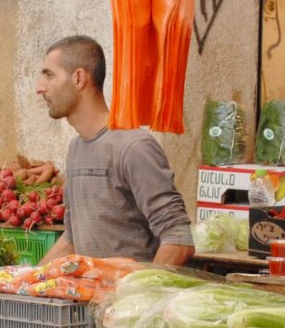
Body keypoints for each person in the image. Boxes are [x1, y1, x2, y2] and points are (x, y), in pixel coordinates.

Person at [35, 35, 194, 266]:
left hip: (129, 300)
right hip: (91, 298)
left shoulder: (133, 146)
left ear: (79, 78)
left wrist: (136, 295)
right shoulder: (76, 149)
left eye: (49, 75)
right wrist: (28, 281)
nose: (40, 88)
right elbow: (72, 239)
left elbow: (178, 240)